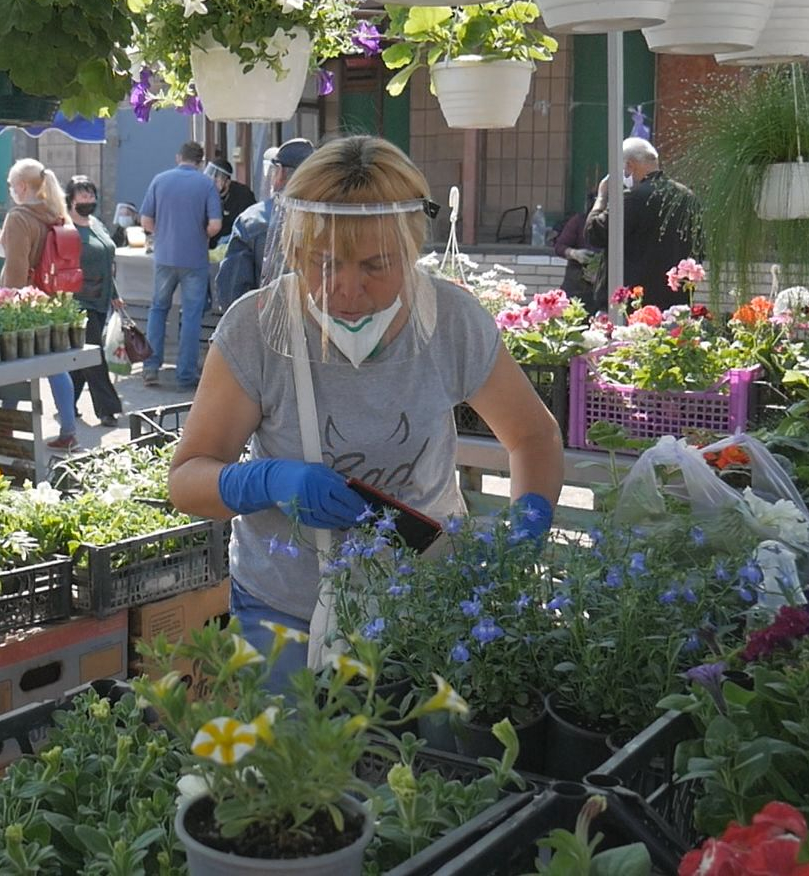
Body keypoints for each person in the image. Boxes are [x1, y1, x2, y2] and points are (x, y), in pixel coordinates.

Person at [167, 136, 565, 688]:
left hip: (423, 606)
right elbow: (188, 481)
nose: (347, 291)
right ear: (296, 248)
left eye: (376, 266)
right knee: (295, 768)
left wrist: (527, 528)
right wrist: (265, 481)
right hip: (285, 611)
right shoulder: (256, 327)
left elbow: (533, 438)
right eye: (322, 264)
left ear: (411, 249)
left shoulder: (449, 320)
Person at [1, 159, 81, 450]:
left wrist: (7, 303)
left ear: (22, 186)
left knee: (11, 365)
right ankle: (69, 429)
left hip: (26, 300)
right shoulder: (57, 214)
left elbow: (16, 268)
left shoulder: (19, 217)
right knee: (56, 365)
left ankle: (6, 427)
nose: (10, 191)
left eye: (11, 186)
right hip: (55, 299)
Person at [139, 142, 223, 390]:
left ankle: (150, 367)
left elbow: (145, 221)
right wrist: (202, 234)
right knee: (192, 315)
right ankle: (185, 374)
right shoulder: (206, 184)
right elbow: (215, 225)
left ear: (179, 157)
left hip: (164, 256)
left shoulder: (160, 180)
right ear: (200, 161)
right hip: (195, 259)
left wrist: (162, 233)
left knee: (158, 309)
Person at [584, 137, 699, 309]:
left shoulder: (632, 197)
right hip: (675, 304)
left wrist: (602, 196)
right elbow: (698, 249)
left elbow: (594, 233)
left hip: (632, 306)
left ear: (629, 166)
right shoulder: (688, 197)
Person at [217, 139, 314, 309]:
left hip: (264, 325)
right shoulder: (333, 218)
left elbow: (232, 293)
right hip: (320, 327)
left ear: (280, 174)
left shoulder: (252, 221)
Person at [64, 176, 125, 428]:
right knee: (94, 356)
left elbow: (106, 262)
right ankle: (108, 409)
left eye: (91, 195)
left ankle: (66, 402)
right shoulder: (66, 228)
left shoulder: (96, 224)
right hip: (78, 301)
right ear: (71, 199)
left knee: (80, 359)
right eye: (83, 195)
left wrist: (115, 294)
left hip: (101, 298)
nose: (88, 200)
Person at [552, 188, 603, 308]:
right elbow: (559, 247)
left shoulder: (618, 225)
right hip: (577, 285)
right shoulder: (579, 221)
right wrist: (574, 253)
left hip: (604, 287)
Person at [206, 153, 258, 247]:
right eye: (210, 178)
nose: (212, 183)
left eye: (217, 180)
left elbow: (249, 223)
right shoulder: (205, 195)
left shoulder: (242, 195)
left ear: (227, 182)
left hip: (236, 244)